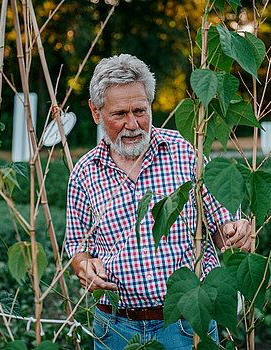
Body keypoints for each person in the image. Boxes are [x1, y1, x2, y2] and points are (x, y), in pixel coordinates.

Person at [65, 54, 251, 350]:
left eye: (140, 110)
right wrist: (85, 266)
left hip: (186, 323)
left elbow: (220, 227)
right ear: (96, 111)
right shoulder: (85, 173)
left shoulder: (184, 152)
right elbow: (77, 248)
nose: (132, 124)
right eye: (119, 114)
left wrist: (234, 231)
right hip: (116, 329)